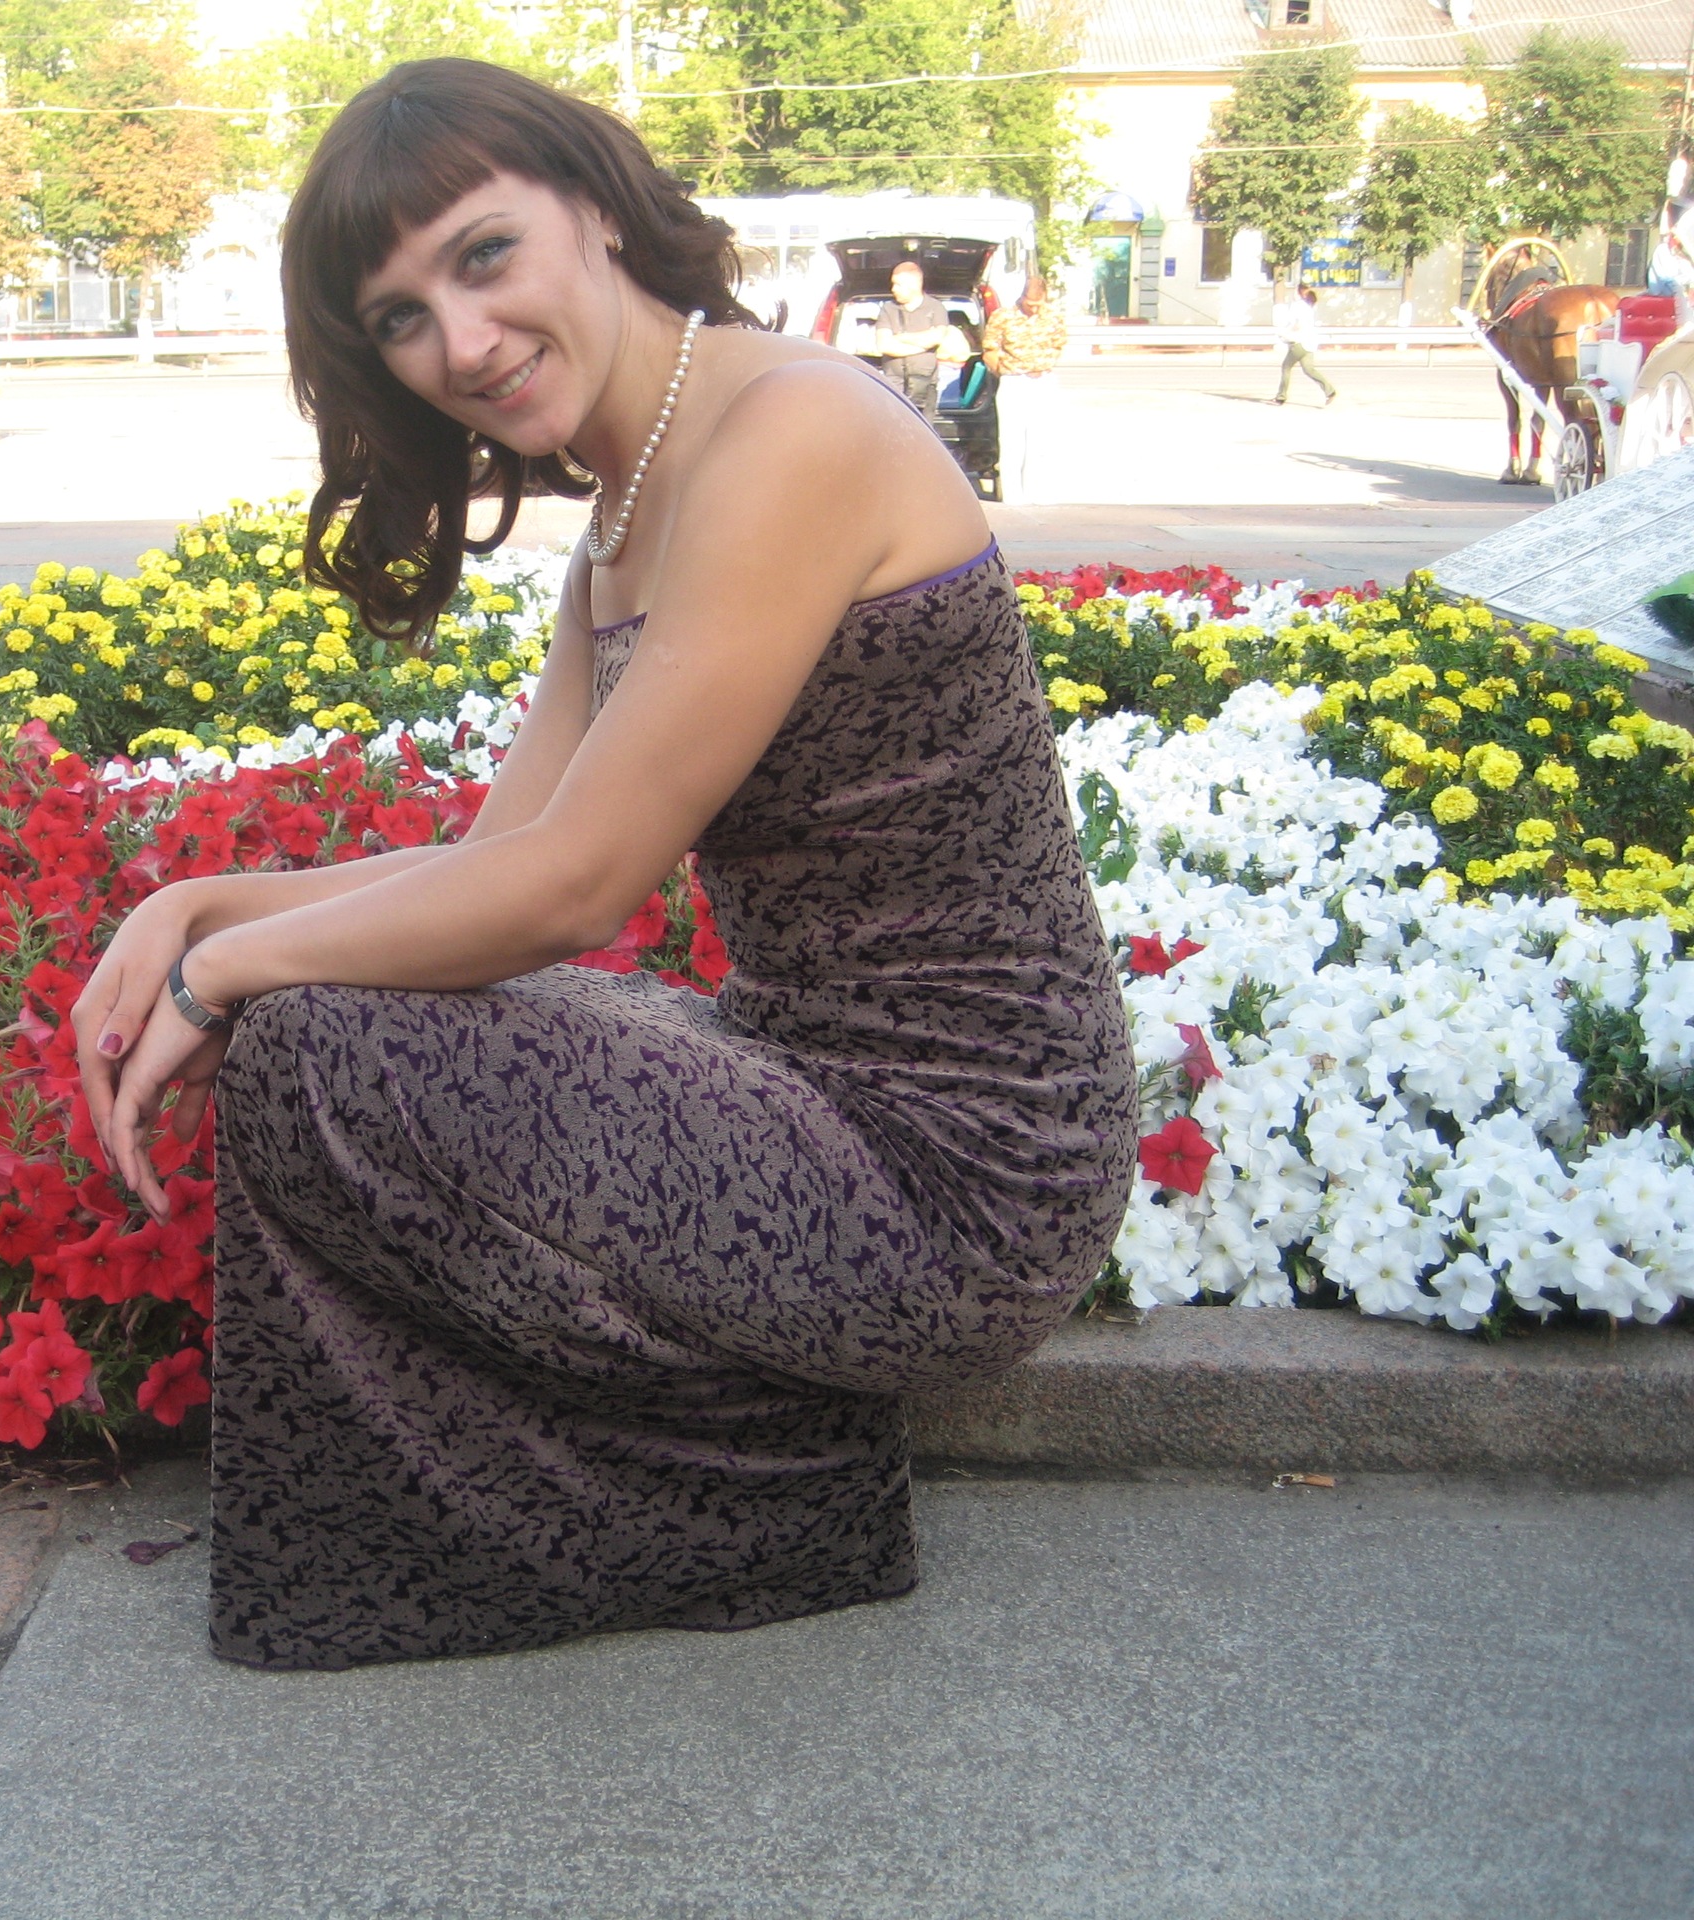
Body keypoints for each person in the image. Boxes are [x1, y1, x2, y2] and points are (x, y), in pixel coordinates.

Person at [66, 58, 1138, 1673]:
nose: (462, 342)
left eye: (483, 257)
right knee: (332, 1015)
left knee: (317, 1045)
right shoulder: (629, 514)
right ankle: (700, 1483)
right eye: (403, 318)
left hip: (962, 1182)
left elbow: (576, 894)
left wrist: (226, 973)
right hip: (815, 1091)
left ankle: (763, 1502)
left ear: (599, 208)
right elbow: (506, 859)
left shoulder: (793, 431)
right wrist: (193, 904)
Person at [979, 274, 1067, 504]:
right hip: (1014, 379)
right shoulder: (1003, 317)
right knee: (1011, 439)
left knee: (1041, 439)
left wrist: (1045, 364)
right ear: (1022, 297)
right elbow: (989, 349)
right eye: (1030, 304)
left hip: (1043, 380)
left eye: (1038, 304)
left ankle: (1037, 492)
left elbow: (1059, 344)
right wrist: (1003, 370)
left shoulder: (1053, 317)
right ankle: (1013, 496)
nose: (1034, 309)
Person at [869, 258, 968, 422]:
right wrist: (924, 345)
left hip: (925, 384)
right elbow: (884, 345)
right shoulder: (888, 309)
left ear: (914, 285)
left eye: (898, 285)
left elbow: (937, 337)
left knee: (923, 430)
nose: (893, 289)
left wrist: (902, 338)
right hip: (893, 383)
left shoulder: (936, 307)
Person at [1272, 282, 1337, 407]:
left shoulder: (1298, 306)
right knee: (1309, 369)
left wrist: (1284, 333)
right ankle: (1330, 391)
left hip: (1299, 342)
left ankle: (1281, 397)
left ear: (1299, 291)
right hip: (1310, 343)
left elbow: (1296, 324)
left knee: (1286, 367)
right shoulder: (1309, 307)